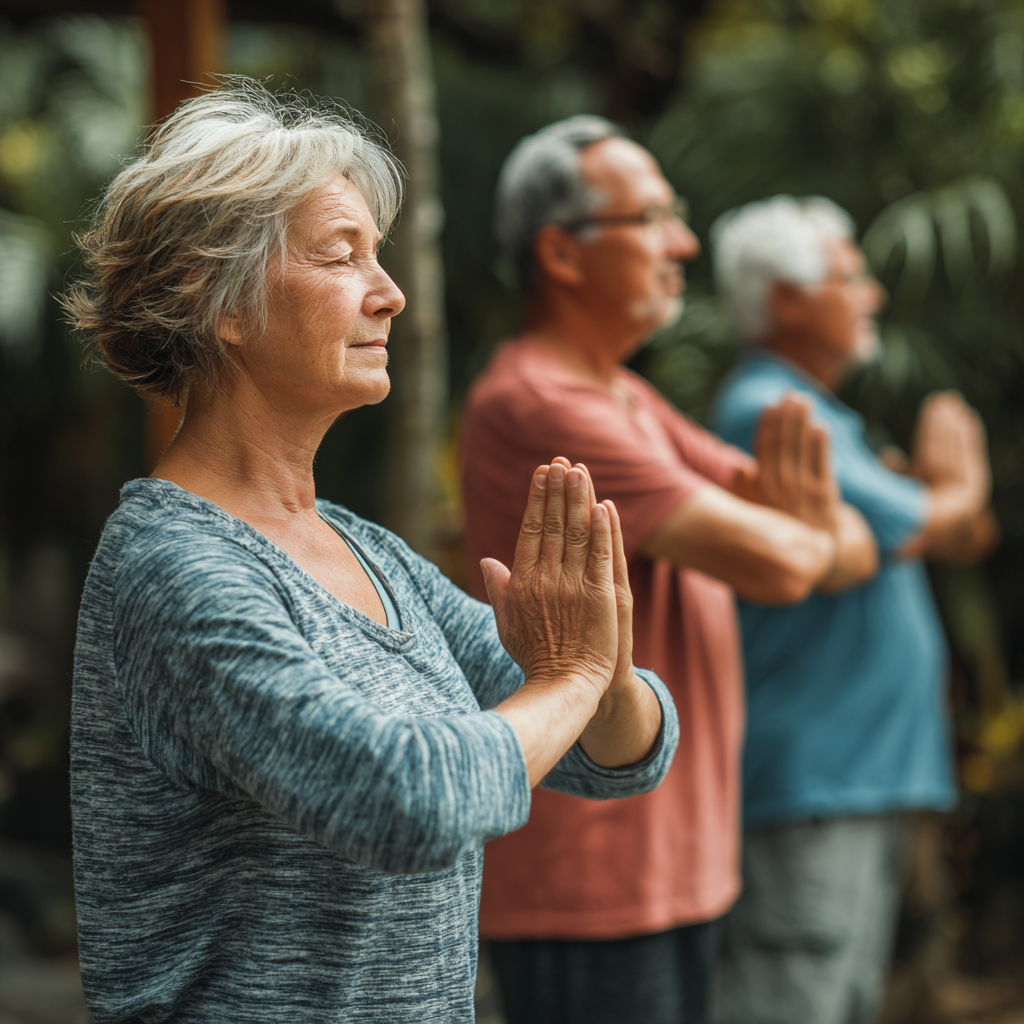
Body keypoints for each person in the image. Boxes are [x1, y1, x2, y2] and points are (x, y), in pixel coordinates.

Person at [62, 80, 680, 1024]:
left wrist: (609, 669)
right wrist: (572, 677)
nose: (387, 293)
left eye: (378, 255)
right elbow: (407, 800)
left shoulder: (366, 550)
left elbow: (612, 758)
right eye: (341, 256)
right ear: (216, 298)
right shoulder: (172, 567)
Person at [460, 117, 877, 1024]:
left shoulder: (629, 397)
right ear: (562, 254)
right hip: (594, 874)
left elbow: (848, 542)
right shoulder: (543, 402)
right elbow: (780, 559)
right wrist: (802, 543)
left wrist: (805, 543)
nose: (682, 241)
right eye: (651, 217)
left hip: (674, 856)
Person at [708, 195, 998, 1024]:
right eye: (850, 275)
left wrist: (943, 503)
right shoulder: (773, 407)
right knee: (793, 997)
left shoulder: (823, 416)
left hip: (850, 776)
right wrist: (960, 480)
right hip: (814, 781)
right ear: (787, 299)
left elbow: (946, 530)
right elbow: (922, 523)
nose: (870, 294)